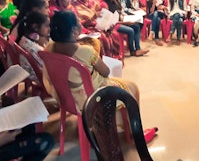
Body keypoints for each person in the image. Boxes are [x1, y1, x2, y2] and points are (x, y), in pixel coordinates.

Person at [45, 10, 157, 144]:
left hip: (67, 97)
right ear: (75, 31)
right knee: (132, 88)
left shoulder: (49, 47)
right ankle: (135, 133)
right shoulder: (85, 51)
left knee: (122, 84)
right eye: (79, 23)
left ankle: (114, 124)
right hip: (91, 99)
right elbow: (105, 71)